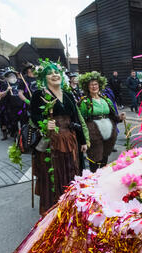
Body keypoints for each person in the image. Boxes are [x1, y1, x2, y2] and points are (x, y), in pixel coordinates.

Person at [30, 60, 90, 216]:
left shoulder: (68, 94)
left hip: (70, 140)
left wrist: (82, 140)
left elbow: (75, 118)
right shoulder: (39, 95)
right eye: (50, 73)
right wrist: (43, 123)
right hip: (51, 141)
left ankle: (71, 206)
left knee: (71, 170)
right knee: (54, 175)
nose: (54, 75)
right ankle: (54, 210)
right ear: (44, 78)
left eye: (56, 72)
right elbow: (32, 116)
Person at [78, 71, 126, 173]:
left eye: (95, 84)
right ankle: (93, 178)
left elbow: (112, 116)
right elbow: (81, 120)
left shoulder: (106, 100)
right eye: (91, 85)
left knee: (105, 157)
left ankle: (103, 177)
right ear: (87, 87)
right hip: (94, 135)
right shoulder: (84, 102)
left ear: (99, 85)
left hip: (109, 134)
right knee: (95, 157)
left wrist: (120, 118)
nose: (94, 86)